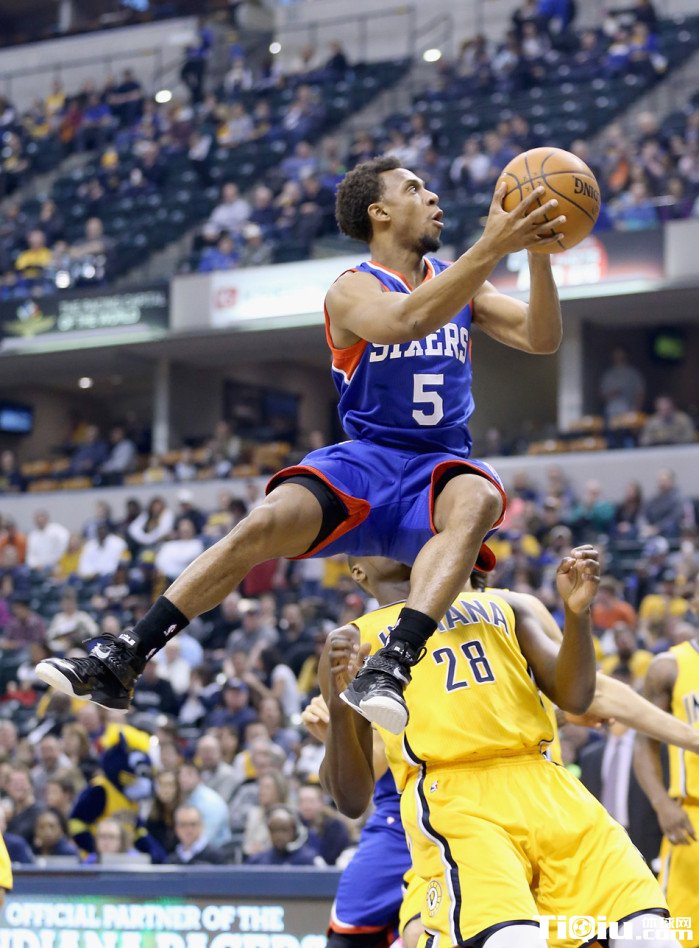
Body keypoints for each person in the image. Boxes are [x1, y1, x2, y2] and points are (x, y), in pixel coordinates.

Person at [37, 155, 565, 735]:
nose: (434, 197)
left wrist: (536, 252)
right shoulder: (352, 288)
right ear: (379, 212)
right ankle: (127, 655)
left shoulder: (464, 283)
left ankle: (393, 662)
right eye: (416, 188)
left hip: (437, 467)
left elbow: (541, 336)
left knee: (479, 498)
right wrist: (492, 245)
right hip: (367, 460)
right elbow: (405, 322)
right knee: (262, 523)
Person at [321, 550, 678, 947]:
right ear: (358, 571)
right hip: (456, 795)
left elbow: (577, 698)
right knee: (512, 938)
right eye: (379, 536)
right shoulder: (354, 639)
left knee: (648, 932)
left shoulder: (506, 606)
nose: (396, 538)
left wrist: (577, 614)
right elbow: (350, 800)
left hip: (548, 784)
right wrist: (339, 708)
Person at [634, 635, 699, 941]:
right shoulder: (669, 666)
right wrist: (661, 803)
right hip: (692, 818)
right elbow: (644, 742)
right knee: (681, 935)